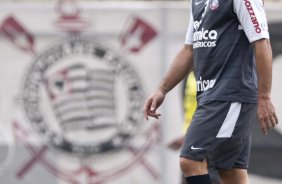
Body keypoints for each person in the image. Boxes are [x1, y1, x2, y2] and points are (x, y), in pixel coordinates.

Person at [143, 0, 279, 184]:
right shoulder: (197, 2)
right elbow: (189, 49)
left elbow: (262, 41)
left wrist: (264, 97)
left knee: (190, 160)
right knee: (231, 173)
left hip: (230, 95)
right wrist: (162, 89)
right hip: (211, 97)